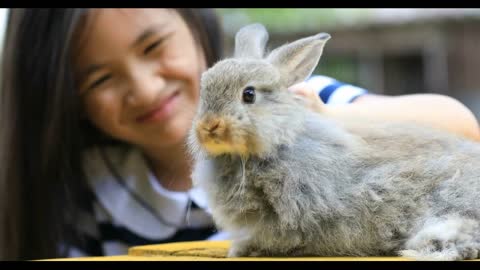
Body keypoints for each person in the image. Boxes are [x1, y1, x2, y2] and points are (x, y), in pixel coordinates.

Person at [0, 8, 478, 261]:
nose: (144, 89)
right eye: (100, 79)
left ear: (193, 22)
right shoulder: (87, 189)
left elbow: (456, 124)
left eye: (154, 46)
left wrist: (320, 121)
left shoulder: (303, 100)